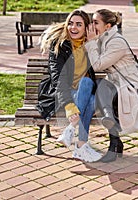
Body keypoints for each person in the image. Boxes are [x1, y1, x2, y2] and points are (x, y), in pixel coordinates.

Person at [85, 9, 138, 163]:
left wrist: (90, 42)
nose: (92, 25)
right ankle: (114, 139)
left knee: (103, 88)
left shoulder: (117, 42)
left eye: (96, 22)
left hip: (130, 87)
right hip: (116, 86)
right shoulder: (103, 40)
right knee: (102, 87)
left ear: (108, 26)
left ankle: (113, 139)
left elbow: (97, 65)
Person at [38, 9, 102, 162]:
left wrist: (92, 43)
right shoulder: (59, 45)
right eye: (71, 24)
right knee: (90, 98)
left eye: (79, 24)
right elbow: (58, 80)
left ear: (86, 28)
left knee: (87, 84)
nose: (73, 28)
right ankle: (81, 145)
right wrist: (69, 106)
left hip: (83, 91)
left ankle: (71, 130)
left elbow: (99, 64)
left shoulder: (90, 44)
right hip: (62, 93)